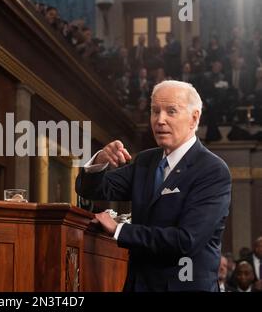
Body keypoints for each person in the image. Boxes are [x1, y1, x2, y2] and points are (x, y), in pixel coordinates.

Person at [76, 80, 232, 291]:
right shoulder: (145, 161)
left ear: (194, 118)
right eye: (155, 111)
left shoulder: (212, 170)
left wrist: (120, 230)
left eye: (171, 111)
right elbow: (90, 189)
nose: (160, 120)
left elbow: (185, 240)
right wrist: (100, 161)